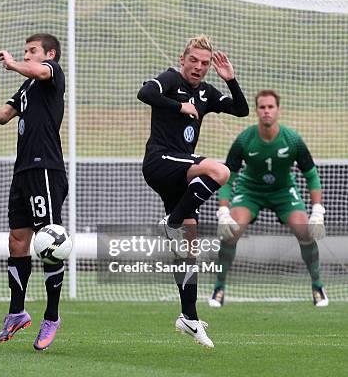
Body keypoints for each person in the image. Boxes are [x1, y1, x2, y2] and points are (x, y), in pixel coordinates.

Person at [137, 34, 249, 349]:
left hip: (181, 172)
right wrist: (179, 104)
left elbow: (240, 110)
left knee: (188, 245)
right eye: (194, 61)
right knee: (221, 170)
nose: (198, 67)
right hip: (160, 161)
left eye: (204, 63)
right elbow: (145, 93)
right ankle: (173, 219)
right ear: (183, 58)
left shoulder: (208, 92)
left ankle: (189, 317)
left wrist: (231, 79)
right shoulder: (170, 79)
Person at [0, 34, 67, 351]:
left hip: (45, 170)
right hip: (23, 170)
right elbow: (1, 116)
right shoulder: (27, 87)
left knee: (50, 242)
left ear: (49, 54)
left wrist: (13, 63)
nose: (28, 56)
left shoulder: (52, 74)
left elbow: (40, 71)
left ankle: (51, 316)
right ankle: (17, 311)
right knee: (17, 240)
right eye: (25, 52)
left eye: (32, 52)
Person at [210, 89, 327, 307]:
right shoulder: (244, 139)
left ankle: (317, 286)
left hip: (283, 191)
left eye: (270, 107)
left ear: (278, 110)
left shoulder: (292, 140)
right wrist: (223, 211)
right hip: (250, 190)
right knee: (230, 232)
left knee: (306, 232)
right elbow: (228, 177)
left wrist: (318, 210)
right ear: (256, 110)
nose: (266, 111)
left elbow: (311, 175)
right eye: (262, 107)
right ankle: (219, 287)